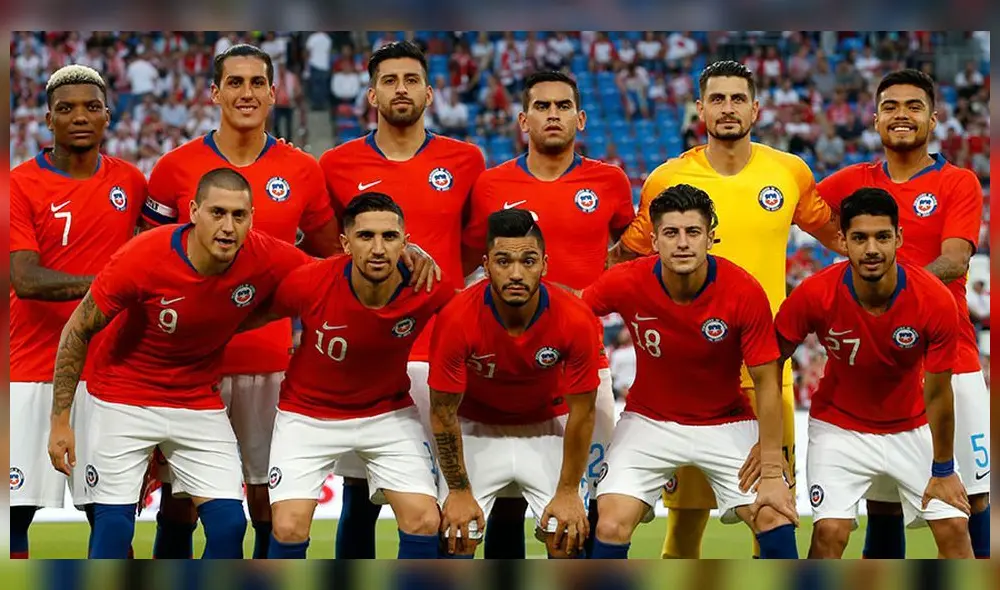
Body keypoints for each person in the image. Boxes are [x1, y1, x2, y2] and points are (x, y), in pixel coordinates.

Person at [606, 60, 842, 559]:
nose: (728, 108)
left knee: (773, 515)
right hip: (686, 379)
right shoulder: (668, 180)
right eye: (718, 98)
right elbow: (624, 257)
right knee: (685, 527)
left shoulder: (790, 172)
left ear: (756, 108)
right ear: (701, 108)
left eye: (738, 98)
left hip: (765, 373)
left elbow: (844, 239)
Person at [138, 43, 339, 560]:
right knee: (181, 501)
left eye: (256, 83)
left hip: (271, 363)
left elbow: (332, 264)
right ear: (214, 92)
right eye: (235, 82)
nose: (246, 93)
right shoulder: (174, 168)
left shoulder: (301, 168)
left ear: (274, 93)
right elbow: (147, 264)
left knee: (265, 496)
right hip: (188, 367)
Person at [47, 168, 312, 559]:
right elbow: (78, 329)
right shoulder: (143, 256)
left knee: (229, 526)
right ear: (193, 212)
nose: (228, 226)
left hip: (195, 400)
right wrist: (60, 422)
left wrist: (403, 257)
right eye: (217, 212)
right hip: (123, 398)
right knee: (114, 527)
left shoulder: (268, 255)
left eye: (238, 215)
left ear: (252, 217)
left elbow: (331, 278)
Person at [319, 40, 486, 559]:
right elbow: (333, 250)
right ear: (371, 94)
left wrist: (430, 284)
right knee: (358, 496)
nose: (401, 89)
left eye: (411, 79)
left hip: (442, 350)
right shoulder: (336, 163)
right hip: (369, 354)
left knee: (449, 492)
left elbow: (471, 247)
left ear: (430, 93)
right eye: (389, 80)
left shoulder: (465, 160)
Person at [461, 70, 635, 558]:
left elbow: (632, 255)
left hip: (583, 362)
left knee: (595, 496)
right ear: (523, 119)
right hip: (506, 364)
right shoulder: (492, 184)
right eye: (542, 106)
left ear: (580, 118)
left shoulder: (610, 181)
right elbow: (469, 262)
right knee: (506, 501)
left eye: (562, 106)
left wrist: (593, 294)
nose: (552, 115)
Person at [817, 69, 989, 560]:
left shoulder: (957, 182)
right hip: (881, 365)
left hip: (949, 359)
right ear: (874, 119)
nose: (902, 115)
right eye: (890, 106)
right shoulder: (853, 181)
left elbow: (955, 260)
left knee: (970, 494)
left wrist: (885, 300)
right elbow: (799, 209)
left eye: (914, 107)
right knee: (883, 504)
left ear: (934, 120)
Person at [583, 184, 799, 559]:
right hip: (648, 420)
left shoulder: (743, 290)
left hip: (726, 422)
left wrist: (769, 462)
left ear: (710, 238)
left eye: (693, 232)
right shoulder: (626, 280)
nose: (682, 243)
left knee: (774, 513)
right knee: (609, 522)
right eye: (671, 233)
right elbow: (571, 315)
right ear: (654, 240)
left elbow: (766, 382)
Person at [774, 187, 974, 559]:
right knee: (830, 533)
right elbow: (770, 359)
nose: (871, 249)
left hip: (912, 426)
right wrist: (770, 446)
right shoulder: (814, 294)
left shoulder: (933, 298)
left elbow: (939, 391)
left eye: (882, 237)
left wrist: (943, 468)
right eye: (859, 238)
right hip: (839, 428)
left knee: (954, 529)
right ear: (843, 242)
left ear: (898, 238)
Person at [261, 193, 456, 559]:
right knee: (287, 527)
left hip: (388, 413)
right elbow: (255, 315)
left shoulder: (428, 286)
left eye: (390, 237)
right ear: (345, 242)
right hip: (307, 414)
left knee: (425, 521)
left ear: (406, 242)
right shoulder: (310, 281)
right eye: (366, 236)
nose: (379, 248)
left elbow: (477, 319)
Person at [9, 64, 147, 559]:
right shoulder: (19, 185)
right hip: (30, 371)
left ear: (109, 115)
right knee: (13, 516)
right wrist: (111, 287)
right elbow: (25, 279)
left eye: (92, 106)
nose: (80, 117)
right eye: (66, 109)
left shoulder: (131, 183)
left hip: (106, 374)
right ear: (47, 119)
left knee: (109, 513)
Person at [428, 209, 600, 558]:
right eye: (504, 261)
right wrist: (459, 491)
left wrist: (568, 491)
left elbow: (584, 412)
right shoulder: (456, 317)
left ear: (545, 265)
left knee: (566, 535)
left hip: (546, 426)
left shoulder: (576, 317)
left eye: (528, 260)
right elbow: (443, 413)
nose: (516, 273)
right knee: (457, 535)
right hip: (476, 428)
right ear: (486, 265)